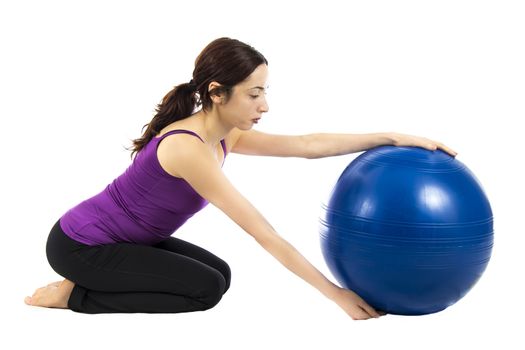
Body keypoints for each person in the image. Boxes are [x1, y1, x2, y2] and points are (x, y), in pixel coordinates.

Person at [24, 37, 456, 320]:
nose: (264, 104)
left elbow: (306, 144)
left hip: (127, 240)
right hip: (82, 245)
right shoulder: (187, 148)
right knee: (204, 291)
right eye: (254, 93)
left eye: (265, 91)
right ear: (216, 92)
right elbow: (263, 233)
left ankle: (86, 286)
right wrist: (335, 294)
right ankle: (75, 297)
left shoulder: (224, 132)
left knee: (221, 274)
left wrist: (391, 135)